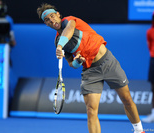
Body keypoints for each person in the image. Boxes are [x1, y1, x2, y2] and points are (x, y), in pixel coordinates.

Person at [37, 3, 145, 133]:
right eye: (47, 20)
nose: (51, 20)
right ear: (46, 24)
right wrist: (77, 62)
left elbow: (69, 30)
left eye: (52, 16)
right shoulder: (57, 41)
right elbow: (71, 63)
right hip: (90, 71)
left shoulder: (69, 21)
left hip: (108, 62)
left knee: (127, 99)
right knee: (91, 110)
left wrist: (60, 47)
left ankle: (139, 130)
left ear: (58, 15)